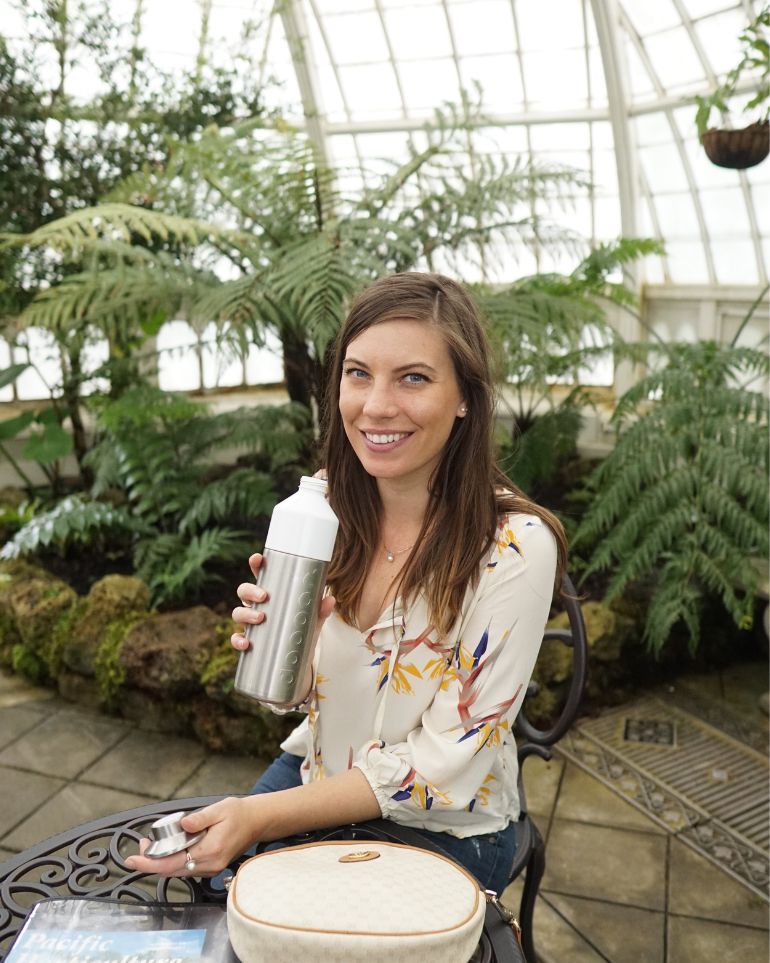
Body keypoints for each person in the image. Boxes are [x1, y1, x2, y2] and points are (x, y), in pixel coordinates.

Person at [126, 271, 567, 895]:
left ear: (466, 395)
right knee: (214, 899)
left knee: (284, 922)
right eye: (358, 373)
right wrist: (282, 649)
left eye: (413, 377)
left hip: (445, 823)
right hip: (321, 769)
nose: (376, 405)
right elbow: (299, 698)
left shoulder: (513, 549)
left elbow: (442, 772)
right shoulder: (327, 507)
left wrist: (257, 818)